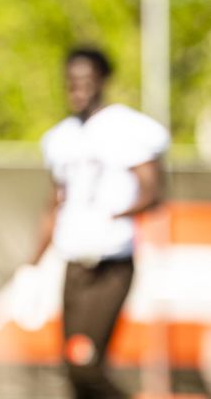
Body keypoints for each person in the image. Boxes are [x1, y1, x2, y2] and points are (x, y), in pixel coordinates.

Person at [27, 46, 168, 399]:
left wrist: (113, 215)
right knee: (73, 368)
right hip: (75, 263)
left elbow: (153, 190)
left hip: (111, 262)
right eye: (71, 82)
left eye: (86, 81)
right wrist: (30, 265)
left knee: (85, 363)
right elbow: (53, 205)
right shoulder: (60, 138)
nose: (78, 89)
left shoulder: (125, 127)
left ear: (102, 81)